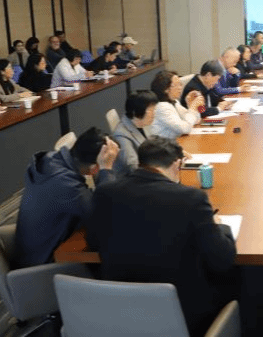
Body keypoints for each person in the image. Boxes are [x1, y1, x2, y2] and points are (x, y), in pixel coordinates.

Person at [88, 137, 237, 336]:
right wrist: (220, 226)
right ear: (177, 164)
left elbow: (93, 242)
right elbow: (223, 259)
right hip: (183, 313)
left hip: (122, 308)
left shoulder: (104, 192)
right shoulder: (192, 199)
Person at [13, 127, 119, 268]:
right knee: (115, 249)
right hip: (43, 264)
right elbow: (105, 215)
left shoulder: (51, 160)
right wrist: (107, 170)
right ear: (94, 168)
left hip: (34, 249)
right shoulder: (67, 186)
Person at [112, 90, 159, 176]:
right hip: (132, 179)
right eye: (151, 110)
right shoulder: (121, 135)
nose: (154, 114)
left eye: (155, 109)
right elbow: (133, 167)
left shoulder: (143, 123)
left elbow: (155, 144)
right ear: (136, 111)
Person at [149, 70, 204, 139]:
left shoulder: (174, 101)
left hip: (176, 141)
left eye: (180, 84)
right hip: (164, 144)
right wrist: (192, 108)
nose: (180, 88)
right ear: (166, 89)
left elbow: (196, 120)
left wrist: (190, 104)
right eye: (176, 85)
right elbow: (185, 129)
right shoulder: (162, 107)